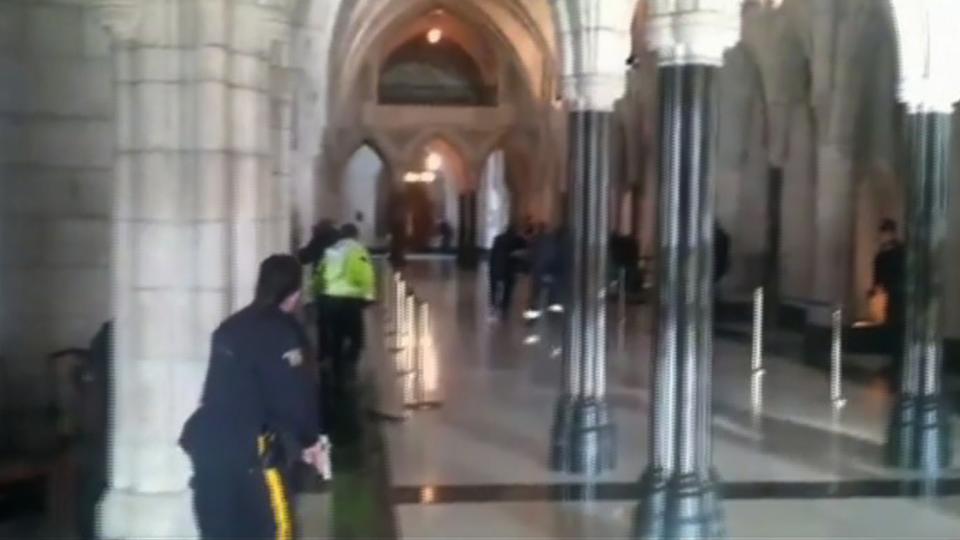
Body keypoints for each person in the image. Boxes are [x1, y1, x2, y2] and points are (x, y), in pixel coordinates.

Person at [179, 255, 329, 540]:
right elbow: (295, 396)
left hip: (207, 446)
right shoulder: (284, 334)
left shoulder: (230, 327)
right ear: (295, 293)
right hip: (253, 452)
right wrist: (311, 441)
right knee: (276, 530)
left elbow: (213, 390)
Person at [314, 223, 375, 443]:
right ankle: (348, 371)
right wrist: (368, 296)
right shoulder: (357, 250)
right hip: (349, 302)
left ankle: (338, 372)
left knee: (336, 339)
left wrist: (318, 296)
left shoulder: (331, 251)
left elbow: (319, 275)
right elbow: (365, 275)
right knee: (357, 339)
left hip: (329, 301)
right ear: (355, 235)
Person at [871, 219, 905, 385]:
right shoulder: (893, 252)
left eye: (884, 233)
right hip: (894, 294)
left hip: (897, 294)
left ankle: (897, 361)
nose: (881, 236)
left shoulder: (893, 253)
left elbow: (880, 277)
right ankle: (896, 360)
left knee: (896, 326)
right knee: (893, 325)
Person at [488, 224, 527, 321]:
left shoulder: (498, 238)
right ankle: (505, 304)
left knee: (494, 286)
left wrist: (491, 264)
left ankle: (493, 302)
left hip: (496, 265)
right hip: (509, 267)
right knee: (508, 287)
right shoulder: (518, 239)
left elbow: (493, 252)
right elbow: (525, 249)